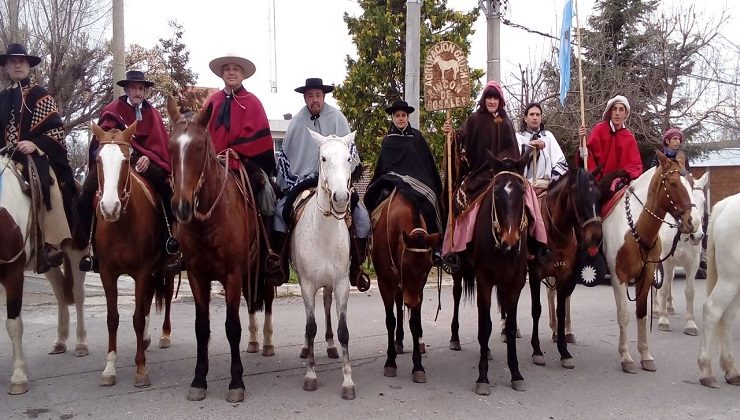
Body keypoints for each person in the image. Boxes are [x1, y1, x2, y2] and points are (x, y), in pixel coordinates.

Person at [273, 77, 371, 291]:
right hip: (302, 182)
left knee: (362, 218)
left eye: (317, 95)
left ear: (323, 96)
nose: (314, 99)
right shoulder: (297, 122)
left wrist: (343, 180)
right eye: (310, 96)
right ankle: (281, 264)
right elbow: (288, 158)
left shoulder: (338, 118)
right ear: (305, 98)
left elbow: (349, 157)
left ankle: (356, 267)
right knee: (280, 214)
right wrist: (284, 186)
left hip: (335, 183)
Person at [77, 69, 178, 270]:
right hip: (116, 161)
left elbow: (160, 146)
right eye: (134, 88)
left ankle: (169, 239)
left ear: (146, 92)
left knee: (167, 188)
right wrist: (129, 157)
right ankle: (88, 246)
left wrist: (148, 158)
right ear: (126, 89)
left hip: (146, 163)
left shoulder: (154, 114)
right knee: (87, 191)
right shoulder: (112, 110)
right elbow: (105, 139)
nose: (138, 92)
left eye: (141, 88)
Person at [442, 80, 548, 262]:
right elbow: (460, 144)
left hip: (504, 173)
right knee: (459, 203)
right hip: (479, 174)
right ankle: (456, 250)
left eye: (495, 98)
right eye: (489, 98)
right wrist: (451, 136)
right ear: (484, 99)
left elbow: (513, 150)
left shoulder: (506, 122)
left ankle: (536, 244)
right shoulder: (473, 119)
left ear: (500, 100)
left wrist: (507, 164)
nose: (492, 101)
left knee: (529, 197)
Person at [0, 43, 75, 273]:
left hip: (34, 156)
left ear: (29, 65)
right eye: (12, 61)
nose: (18, 64)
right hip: (4, 157)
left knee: (48, 184)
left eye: (22, 60)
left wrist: (35, 143)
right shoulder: (1, 97)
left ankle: (49, 243)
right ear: (6, 67)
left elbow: (55, 131)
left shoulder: (40, 95)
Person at [203, 53, 280, 275]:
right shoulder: (211, 102)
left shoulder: (253, 102)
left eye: (236, 69)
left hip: (244, 163)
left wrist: (238, 151)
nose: (231, 72)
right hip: (213, 163)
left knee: (266, 194)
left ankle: (268, 251)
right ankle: (184, 249)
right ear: (222, 73)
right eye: (227, 68)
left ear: (243, 74)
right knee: (188, 192)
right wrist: (213, 155)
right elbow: (202, 134)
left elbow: (260, 139)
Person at [364, 100, 444, 265]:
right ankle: (368, 244)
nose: (401, 118)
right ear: (393, 118)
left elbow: (426, 163)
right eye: (397, 115)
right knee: (373, 203)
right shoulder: (388, 141)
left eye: (403, 115)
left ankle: (437, 246)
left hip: (419, 182)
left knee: (432, 198)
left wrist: (430, 182)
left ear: (407, 117)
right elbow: (383, 167)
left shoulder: (417, 137)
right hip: (391, 180)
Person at [578, 95, 642, 204]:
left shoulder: (629, 138)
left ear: (626, 114)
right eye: (614, 109)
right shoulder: (600, 129)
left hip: (620, 185)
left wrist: (624, 176)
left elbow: (635, 165)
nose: (617, 113)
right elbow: (587, 156)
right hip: (597, 183)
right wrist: (581, 140)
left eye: (621, 110)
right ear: (610, 112)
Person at [515, 102, 568, 195]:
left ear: (541, 118)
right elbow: (515, 162)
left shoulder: (548, 136)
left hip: (546, 188)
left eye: (537, 115)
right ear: (525, 118)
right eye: (531, 114)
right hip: (524, 187)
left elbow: (560, 162)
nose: (535, 117)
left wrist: (552, 184)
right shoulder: (518, 137)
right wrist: (529, 147)